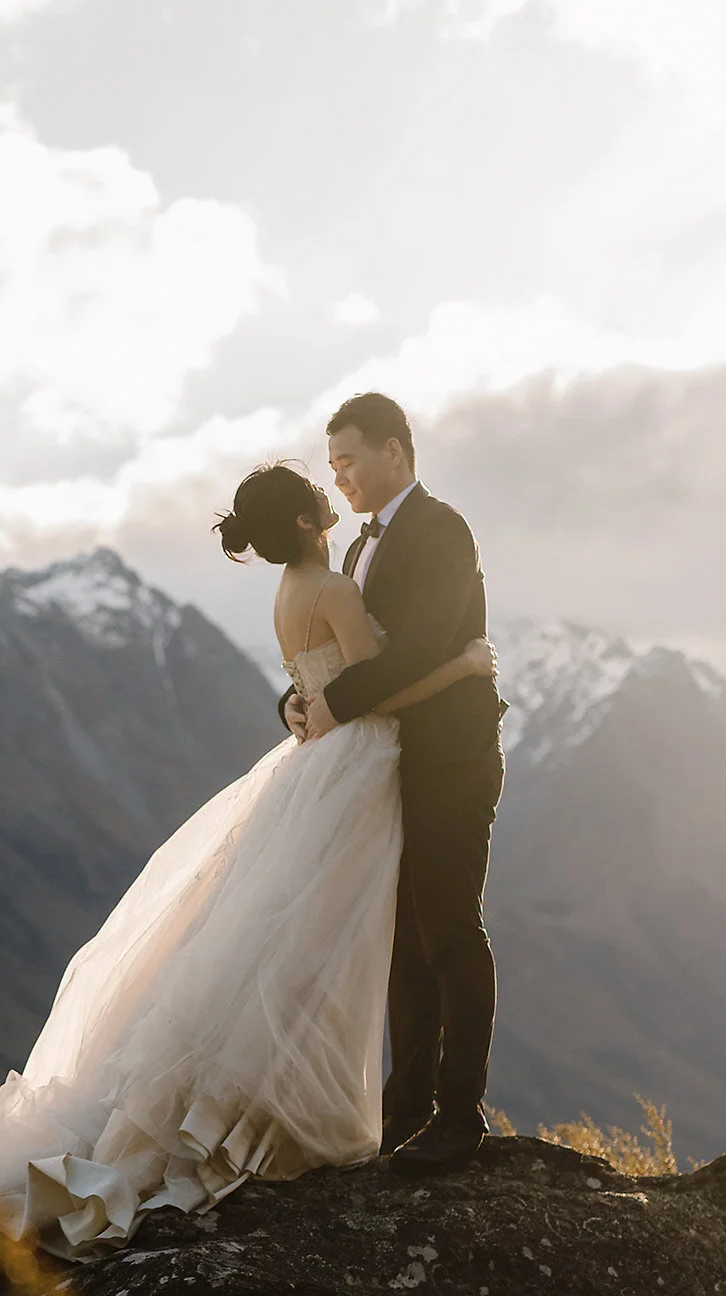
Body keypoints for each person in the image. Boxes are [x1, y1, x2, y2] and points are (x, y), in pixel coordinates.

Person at [0, 457, 498, 1256]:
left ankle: (322, 1108)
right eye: (323, 486)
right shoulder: (334, 586)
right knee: (328, 944)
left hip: (320, 768)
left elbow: (315, 686)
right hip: (355, 767)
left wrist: (305, 704)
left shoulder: (289, 595)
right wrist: (462, 665)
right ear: (307, 523)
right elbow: (367, 687)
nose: (336, 493)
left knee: (293, 941)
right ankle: (292, 1115)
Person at [289, 393, 507, 1175]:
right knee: (405, 941)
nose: (339, 477)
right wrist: (300, 699)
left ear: (396, 452)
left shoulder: (443, 531)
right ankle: (405, 1108)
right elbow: (349, 655)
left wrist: (332, 706)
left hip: (450, 758)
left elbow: (417, 650)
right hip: (386, 763)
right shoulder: (352, 552)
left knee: (449, 926)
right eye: (334, 465)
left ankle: (460, 1116)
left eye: (349, 461)